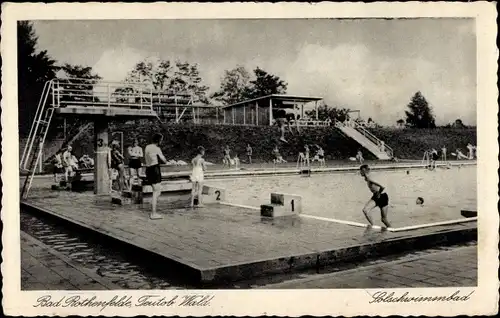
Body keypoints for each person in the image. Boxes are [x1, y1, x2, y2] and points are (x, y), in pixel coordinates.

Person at [360, 164, 391, 229]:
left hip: (382, 196)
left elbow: (382, 187)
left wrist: (379, 193)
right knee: (365, 210)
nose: (360, 173)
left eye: (361, 171)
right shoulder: (367, 178)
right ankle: (374, 226)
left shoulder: (370, 178)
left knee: (384, 219)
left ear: (364, 171)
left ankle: (393, 231)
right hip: (376, 196)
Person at [145, 133, 167, 220]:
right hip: (155, 169)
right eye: (161, 140)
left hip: (148, 169)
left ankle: (153, 211)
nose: (162, 141)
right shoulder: (157, 148)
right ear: (158, 140)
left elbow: (149, 157)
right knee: (156, 192)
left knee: (158, 190)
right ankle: (153, 213)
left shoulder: (147, 147)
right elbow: (164, 160)